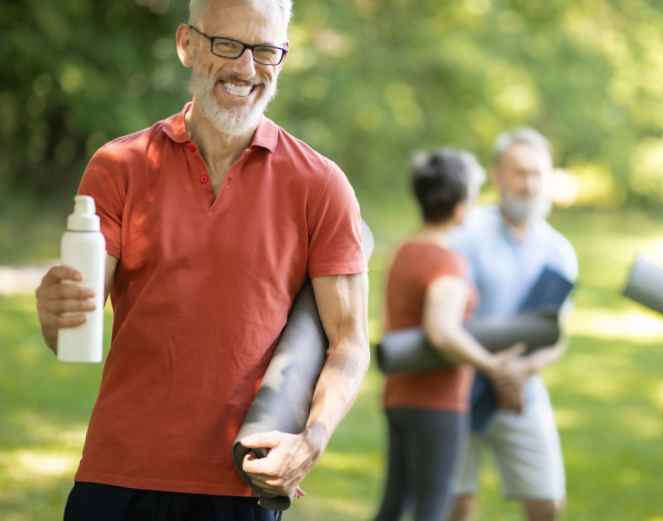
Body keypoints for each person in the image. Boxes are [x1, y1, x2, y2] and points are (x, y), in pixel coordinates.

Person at [34, 1, 369, 520]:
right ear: (187, 45)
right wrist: (55, 314)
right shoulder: (119, 165)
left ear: (283, 57)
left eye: (264, 50)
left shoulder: (320, 185)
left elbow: (348, 342)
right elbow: (71, 326)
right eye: (227, 44)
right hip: (117, 475)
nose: (245, 67)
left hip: (241, 480)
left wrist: (313, 440)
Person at [373, 149, 525, 521]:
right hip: (436, 401)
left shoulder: (405, 251)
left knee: (395, 506)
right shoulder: (447, 263)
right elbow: (441, 332)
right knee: (432, 507)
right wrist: (492, 365)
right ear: (460, 206)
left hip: (398, 395)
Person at [448, 129, 578, 521]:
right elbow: (445, 318)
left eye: (538, 174)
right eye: (519, 173)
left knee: (547, 499)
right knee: (456, 503)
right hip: (459, 385)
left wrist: (520, 371)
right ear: (498, 175)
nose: (529, 183)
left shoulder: (560, 251)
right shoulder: (466, 233)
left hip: (522, 389)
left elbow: (556, 335)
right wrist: (490, 369)